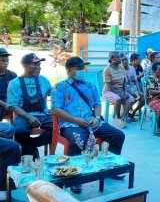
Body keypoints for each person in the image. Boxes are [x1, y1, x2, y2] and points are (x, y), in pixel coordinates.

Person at [51, 56, 125, 193]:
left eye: (82, 67)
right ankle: (74, 178)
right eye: (78, 68)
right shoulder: (59, 87)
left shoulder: (90, 85)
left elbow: (97, 104)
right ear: (68, 70)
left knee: (118, 135)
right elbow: (55, 109)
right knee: (79, 141)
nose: (81, 70)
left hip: (92, 122)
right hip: (71, 124)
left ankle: (110, 168)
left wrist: (97, 118)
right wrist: (76, 120)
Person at [7, 53, 52, 159]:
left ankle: (30, 147)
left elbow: (55, 95)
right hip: (23, 116)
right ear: (25, 65)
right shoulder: (14, 83)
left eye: (39, 64)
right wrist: (29, 117)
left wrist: (54, 109)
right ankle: (30, 151)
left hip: (43, 114)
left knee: (58, 128)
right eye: (35, 64)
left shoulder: (44, 80)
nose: (39, 67)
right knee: (19, 131)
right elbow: (13, 106)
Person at [102, 52, 135, 129]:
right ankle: (118, 116)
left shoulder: (121, 67)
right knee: (117, 98)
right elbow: (108, 84)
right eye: (117, 57)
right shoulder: (107, 69)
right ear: (112, 59)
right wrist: (118, 92)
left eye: (120, 57)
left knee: (131, 99)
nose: (120, 59)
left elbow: (124, 81)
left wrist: (125, 91)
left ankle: (121, 118)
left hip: (120, 90)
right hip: (109, 91)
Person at [122, 55, 144, 120]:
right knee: (132, 97)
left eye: (125, 59)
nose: (125, 61)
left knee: (143, 99)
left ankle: (133, 112)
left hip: (133, 88)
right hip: (125, 90)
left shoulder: (132, 68)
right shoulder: (120, 70)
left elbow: (135, 81)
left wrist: (139, 90)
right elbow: (123, 84)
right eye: (122, 60)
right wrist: (132, 93)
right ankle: (128, 111)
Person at [0, 48, 17, 120]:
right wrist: (4, 104)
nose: (6, 63)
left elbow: (17, 92)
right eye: (3, 60)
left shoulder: (13, 75)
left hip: (10, 103)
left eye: (7, 61)